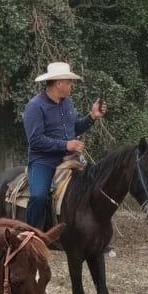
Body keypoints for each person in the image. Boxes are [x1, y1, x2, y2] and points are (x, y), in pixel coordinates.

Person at [23, 62, 107, 228]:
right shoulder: (35, 106)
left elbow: (74, 127)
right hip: (44, 161)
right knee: (39, 196)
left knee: (96, 188)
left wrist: (92, 117)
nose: (72, 86)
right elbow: (35, 140)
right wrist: (66, 145)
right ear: (59, 83)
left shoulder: (68, 103)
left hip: (71, 160)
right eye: (69, 82)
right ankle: (31, 234)